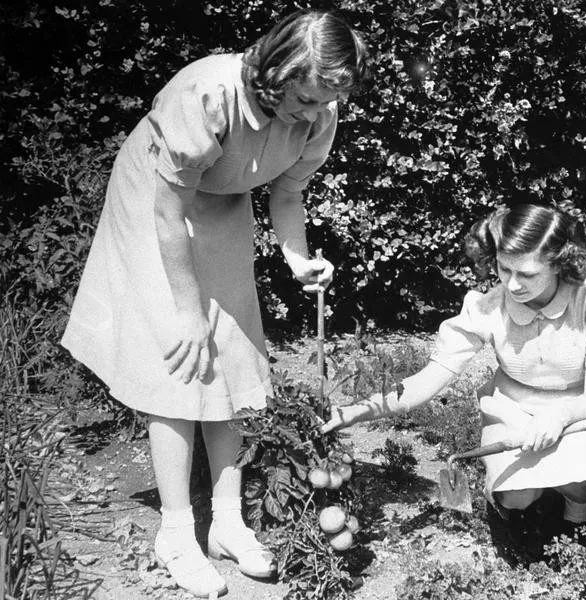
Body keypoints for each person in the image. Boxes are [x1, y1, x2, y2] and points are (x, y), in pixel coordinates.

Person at [61, 10, 368, 597]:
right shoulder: (206, 91)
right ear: (276, 72)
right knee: (184, 359)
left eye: (324, 101)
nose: (312, 113)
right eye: (303, 98)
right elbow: (167, 207)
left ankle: (227, 521)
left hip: (221, 202)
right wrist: (185, 310)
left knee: (232, 353)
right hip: (157, 202)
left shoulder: (318, 112)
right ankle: (176, 533)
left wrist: (297, 256)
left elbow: (286, 192)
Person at [323, 204, 586, 545]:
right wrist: (357, 411)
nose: (514, 285)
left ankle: (577, 510)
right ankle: (537, 498)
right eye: (505, 269)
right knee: (515, 496)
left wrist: (561, 415)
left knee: (582, 476)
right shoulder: (488, 307)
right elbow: (427, 380)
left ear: (558, 263)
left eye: (528, 274)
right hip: (517, 404)